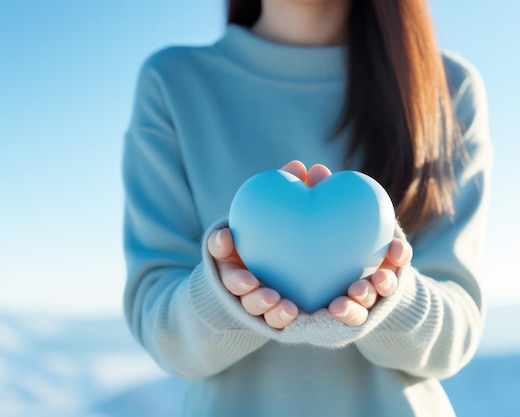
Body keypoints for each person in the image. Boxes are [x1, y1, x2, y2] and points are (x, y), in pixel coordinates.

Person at [122, 0, 492, 415]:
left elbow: (456, 337)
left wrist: (390, 292)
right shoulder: (174, 82)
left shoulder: (445, 87)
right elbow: (161, 333)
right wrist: (225, 294)